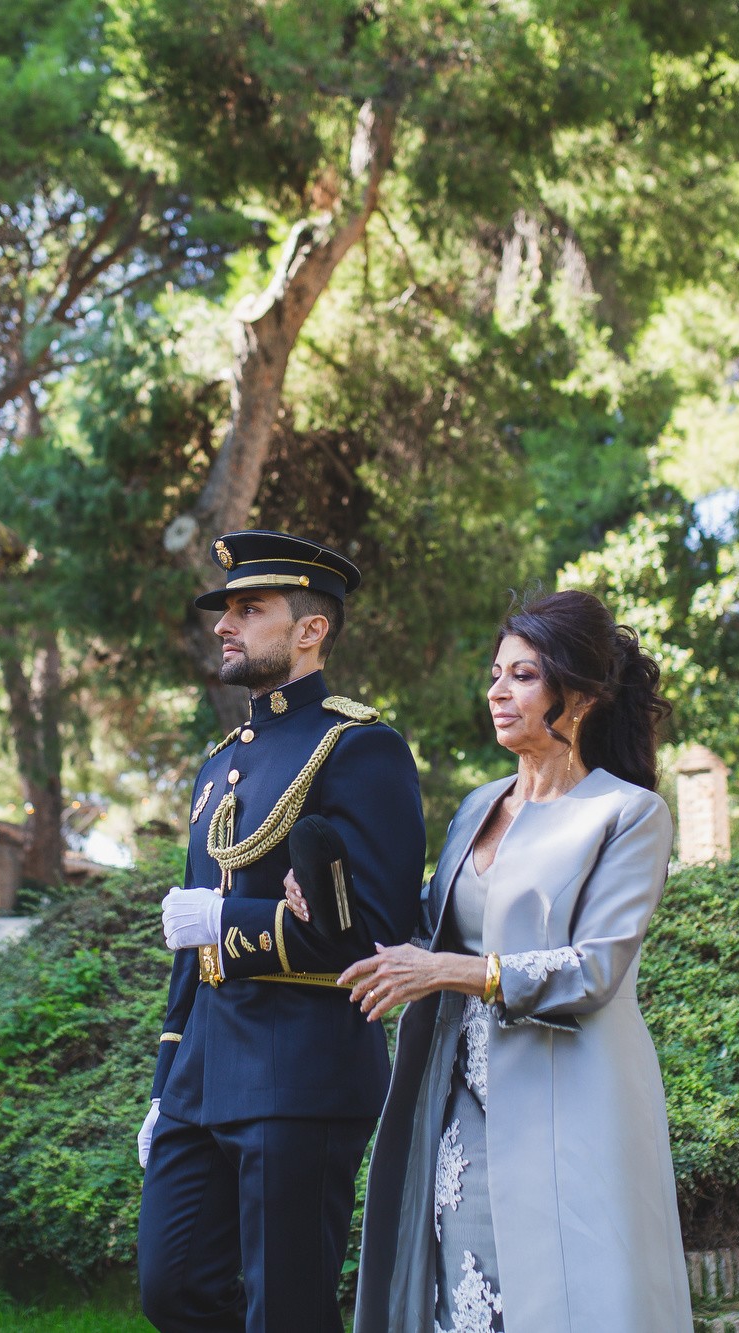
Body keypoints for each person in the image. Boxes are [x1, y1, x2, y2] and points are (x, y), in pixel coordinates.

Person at [341, 589, 691, 1333]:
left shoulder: (630, 815)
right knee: (457, 1287)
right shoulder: (476, 805)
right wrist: (334, 901)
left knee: (572, 1297)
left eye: (523, 675)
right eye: (496, 672)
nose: (497, 691)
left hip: (578, 1097)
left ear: (583, 694)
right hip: (461, 1094)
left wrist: (451, 973)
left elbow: (594, 969)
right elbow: (434, 923)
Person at [137, 530, 426, 1333]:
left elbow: (376, 928)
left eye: (249, 608)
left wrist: (228, 920)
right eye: (225, 610)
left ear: (311, 628)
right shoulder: (219, 760)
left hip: (302, 1063)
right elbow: (192, 953)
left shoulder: (358, 746)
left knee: (287, 1311)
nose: (226, 624)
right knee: (174, 1286)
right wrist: (164, 1089)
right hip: (202, 1069)